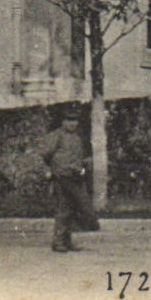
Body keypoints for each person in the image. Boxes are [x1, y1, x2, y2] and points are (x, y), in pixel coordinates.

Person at [37, 106, 95, 252]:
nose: (72, 123)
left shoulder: (78, 138)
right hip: (61, 176)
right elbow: (43, 155)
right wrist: (47, 171)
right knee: (63, 208)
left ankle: (67, 241)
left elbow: (82, 157)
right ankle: (58, 242)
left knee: (72, 209)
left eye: (74, 120)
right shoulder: (56, 136)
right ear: (62, 122)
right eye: (69, 120)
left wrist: (83, 169)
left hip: (75, 177)